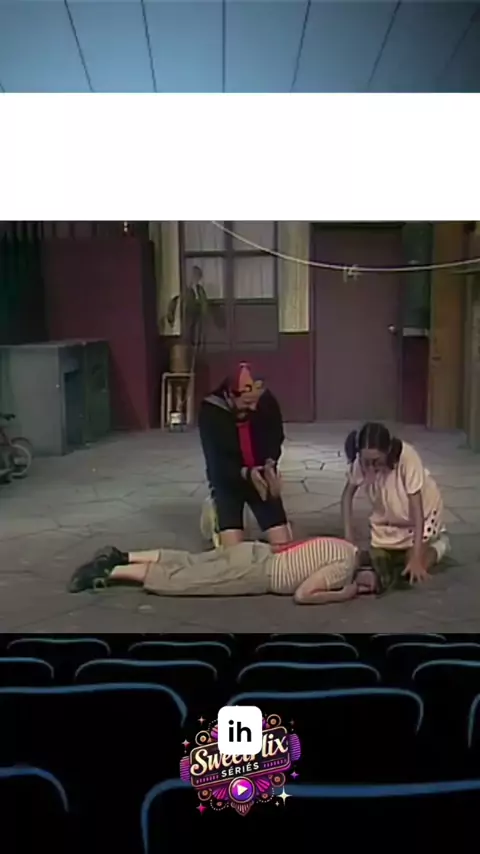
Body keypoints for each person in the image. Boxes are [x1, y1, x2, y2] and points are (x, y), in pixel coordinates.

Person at [67, 537, 362, 604]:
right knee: (183, 580)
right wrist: (344, 594)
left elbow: (294, 544)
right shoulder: (345, 567)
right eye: (375, 585)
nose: (370, 589)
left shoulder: (344, 545)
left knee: (191, 561)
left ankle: (122, 556)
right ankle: (110, 571)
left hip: (256, 551)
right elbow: (303, 595)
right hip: (259, 573)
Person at [341, 422, 450, 594]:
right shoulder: (361, 462)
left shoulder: (408, 458)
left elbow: (418, 510)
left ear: (388, 452)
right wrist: (349, 539)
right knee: (380, 563)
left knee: (413, 569)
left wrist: (416, 558)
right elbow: (347, 496)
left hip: (422, 515)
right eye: (366, 462)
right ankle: (401, 550)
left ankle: (439, 545)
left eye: (376, 462)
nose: (370, 468)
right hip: (389, 518)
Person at [198, 362, 292, 548]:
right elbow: (217, 462)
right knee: (234, 554)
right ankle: (215, 510)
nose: (254, 408)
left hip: (259, 477)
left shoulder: (266, 401)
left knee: (283, 545)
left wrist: (270, 466)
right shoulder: (211, 411)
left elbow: (275, 438)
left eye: (256, 401)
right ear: (230, 395)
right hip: (229, 480)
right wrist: (245, 473)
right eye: (247, 403)